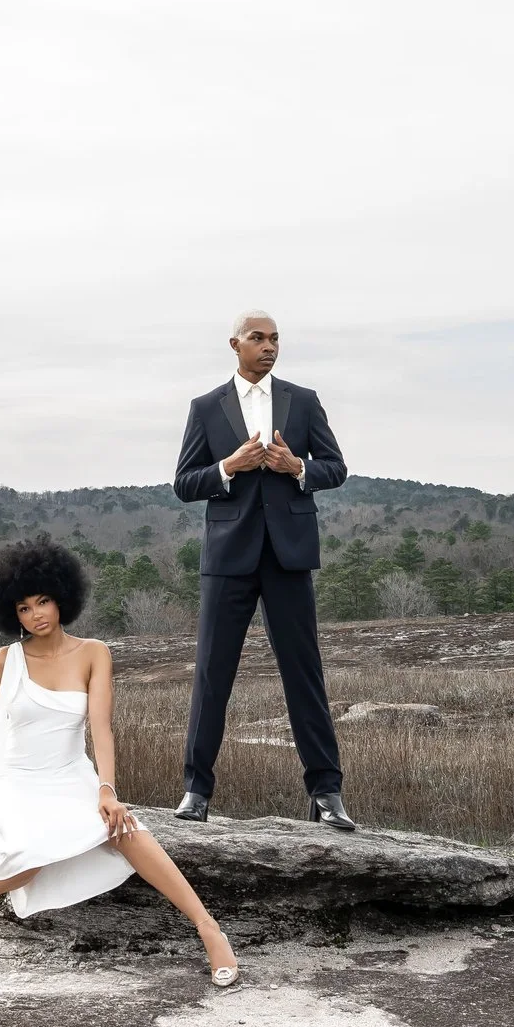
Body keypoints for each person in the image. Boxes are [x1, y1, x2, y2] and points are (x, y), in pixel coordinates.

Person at [0, 535, 241, 985]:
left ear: (63, 596)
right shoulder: (2, 661)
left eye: (44, 600)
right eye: (24, 607)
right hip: (16, 780)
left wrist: (107, 790)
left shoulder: (94, 653)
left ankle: (209, 929)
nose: (36, 614)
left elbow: (101, 728)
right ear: (11, 612)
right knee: (28, 852)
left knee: (129, 831)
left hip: (70, 773)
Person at [170, 309, 355, 829]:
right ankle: (196, 791)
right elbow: (184, 483)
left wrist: (295, 467)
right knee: (212, 673)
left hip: (289, 556)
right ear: (235, 344)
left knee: (304, 673)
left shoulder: (304, 400)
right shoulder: (206, 407)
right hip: (228, 558)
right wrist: (231, 466)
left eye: (275, 339)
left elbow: (336, 468)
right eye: (258, 338)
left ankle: (327, 793)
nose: (269, 346)